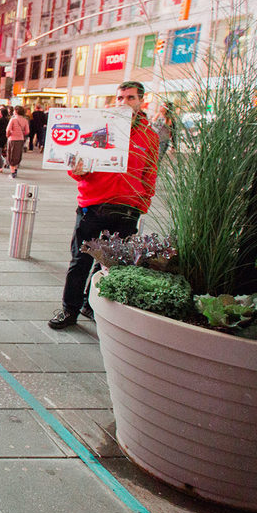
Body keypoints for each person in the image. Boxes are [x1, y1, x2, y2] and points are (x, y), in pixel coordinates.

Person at [49, 81, 160, 329]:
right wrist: (77, 171)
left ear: (141, 101)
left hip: (126, 211)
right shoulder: (100, 126)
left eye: (130, 98)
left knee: (109, 264)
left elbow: (150, 173)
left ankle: (91, 304)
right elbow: (79, 168)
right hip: (93, 205)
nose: (123, 102)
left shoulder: (150, 137)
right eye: (120, 98)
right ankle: (70, 311)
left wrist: (142, 204)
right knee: (81, 260)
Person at [6, 104, 31, 178]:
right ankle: (15, 169)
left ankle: (12, 172)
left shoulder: (13, 119)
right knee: (17, 154)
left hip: (12, 139)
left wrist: (8, 135)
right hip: (20, 139)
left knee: (11, 155)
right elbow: (27, 131)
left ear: (16, 111)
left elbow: (8, 130)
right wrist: (21, 133)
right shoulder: (25, 120)